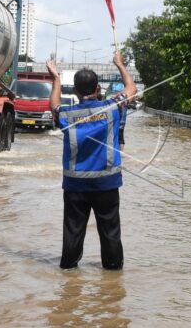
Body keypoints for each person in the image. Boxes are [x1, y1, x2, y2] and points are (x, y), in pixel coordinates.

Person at [47, 52, 138, 270]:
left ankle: (68, 271)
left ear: (76, 91)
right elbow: (132, 89)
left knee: (73, 231)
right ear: (97, 88)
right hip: (106, 183)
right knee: (110, 232)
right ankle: (113, 273)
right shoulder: (112, 108)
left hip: (75, 185)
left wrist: (56, 79)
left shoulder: (67, 115)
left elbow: (54, 105)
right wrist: (120, 65)